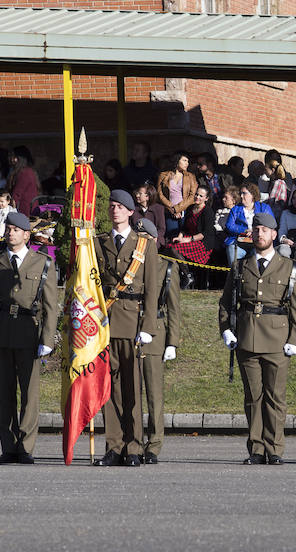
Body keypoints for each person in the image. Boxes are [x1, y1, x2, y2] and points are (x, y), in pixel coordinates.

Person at [219, 212, 296, 465]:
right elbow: (226, 303)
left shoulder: (289, 267)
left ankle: (275, 448)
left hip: (278, 340)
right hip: (246, 338)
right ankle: (256, 449)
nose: (259, 234)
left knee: (275, 397)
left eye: (264, 230)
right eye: (256, 230)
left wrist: (295, 340)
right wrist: (226, 329)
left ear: (274, 235)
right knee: (253, 397)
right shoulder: (239, 267)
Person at [0, 212, 58, 464]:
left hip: (29, 330)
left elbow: (51, 305)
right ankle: (8, 446)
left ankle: (26, 446)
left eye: (15, 229)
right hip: (1, 330)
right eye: (8, 228)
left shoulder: (42, 263)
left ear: (26, 234)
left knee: (29, 393)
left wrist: (47, 338)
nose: (10, 232)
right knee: (6, 391)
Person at [93, 190, 161, 467]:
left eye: (121, 207)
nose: (115, 210)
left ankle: (134, 446)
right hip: (106, 321)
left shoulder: (144, 245)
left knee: (132, 389)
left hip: (133, 322)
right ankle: (114, 445)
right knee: (109, 389)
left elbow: (153, 291)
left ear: (132, 212)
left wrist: (148, 326)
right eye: (112, 206)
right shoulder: (99, 243)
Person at [133, 218, 180, 464]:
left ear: (153, 241)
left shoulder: (166, 267)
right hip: (130, 327)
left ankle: (153, 445)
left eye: (144, 239)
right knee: (131, 391)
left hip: (156, 333)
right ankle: (133, 442)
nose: (140, 243)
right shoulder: (129, 265)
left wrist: (172, 341)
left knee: (153, 393)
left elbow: (174, 308)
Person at [169, 186, 215, 288]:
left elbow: (205, 233)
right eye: (196, 194)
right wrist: (180, 237)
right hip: (188, 238)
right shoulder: (190, 208)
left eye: (201, 196)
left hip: (202, 243)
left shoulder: (208, 212)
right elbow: (184, 227)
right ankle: (186, 275)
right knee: (169, 246)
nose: (197, 197)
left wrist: (188, 240)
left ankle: (188, 276)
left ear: (206, 199)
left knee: (174, 249)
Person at [224, 182, 272, 267]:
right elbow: (229, 226)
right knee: (232, 254)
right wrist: (244, 230)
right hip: (238, 242)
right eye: (241, 193)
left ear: (252, 195)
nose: (241, 196)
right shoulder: (235, 209)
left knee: (256, 262)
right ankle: (234, 277)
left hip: (257, 242)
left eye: (244, 193)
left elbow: (270, 225)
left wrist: (255, 231)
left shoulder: (264, 208)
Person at [157, 151, 198, 239]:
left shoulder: (191, 176)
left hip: (186, 211)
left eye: (188, 161)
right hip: (169, 210)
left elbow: (192, 196)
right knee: (171, 236)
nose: (187, 163)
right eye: (184, 160)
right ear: (177, 160)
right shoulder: (163, 175)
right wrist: (171, 208)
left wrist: (177, 209)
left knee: (185, 235)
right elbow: (160, 194)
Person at [7, 146, 40, 216]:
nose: (11, 159)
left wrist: (9, 208)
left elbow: (17, 193)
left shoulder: (25, 173)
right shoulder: (26, 171)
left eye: (13, 156)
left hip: (25, 210)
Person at [132, 182, 167, 248]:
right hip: (137, 240)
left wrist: (154, 238)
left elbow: (161, 229)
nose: (137, 196)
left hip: (155, 240)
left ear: (147, 196)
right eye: (137, 193)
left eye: (140, 194)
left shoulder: (159, 209)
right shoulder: (133, 209)